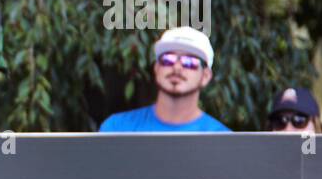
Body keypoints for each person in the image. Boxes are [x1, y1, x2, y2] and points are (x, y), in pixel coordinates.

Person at [98, 27, 229, 132]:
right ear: (156, 68)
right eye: (168, 59)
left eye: (189, 62)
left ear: (205, 76)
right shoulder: (116, 129)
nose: (177, 67)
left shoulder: (223, 140)